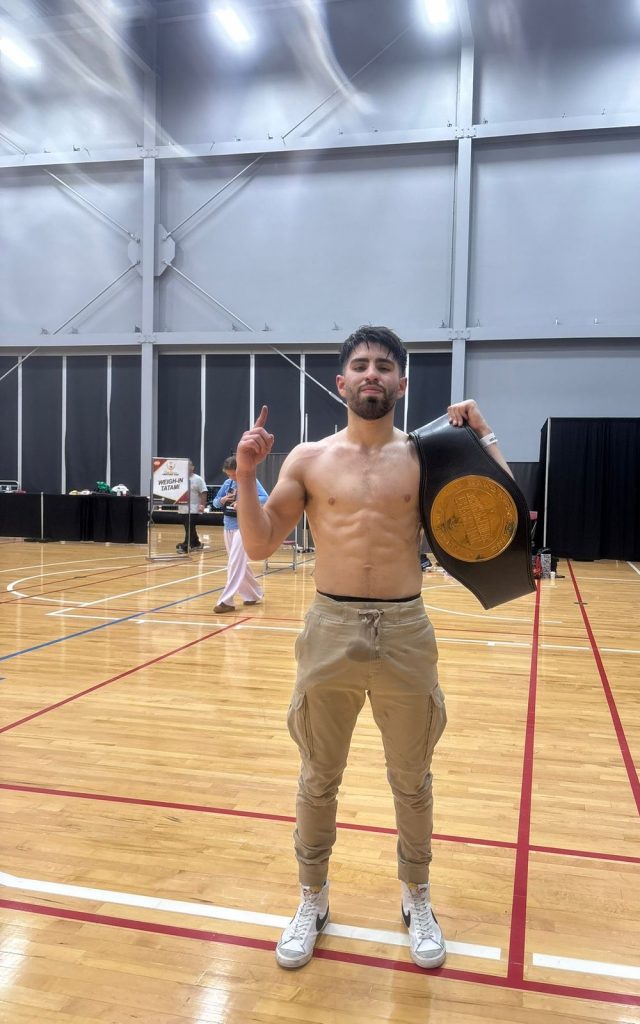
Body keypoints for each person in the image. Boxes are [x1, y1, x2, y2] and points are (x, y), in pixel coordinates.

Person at [236, 325, 510, 972]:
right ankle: (312, 898)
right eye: (360, 365)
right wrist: (246, 474)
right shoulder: (308, 458)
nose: (371, 374)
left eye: (384, 366)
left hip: (405, 632)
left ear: (402, 383)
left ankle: (417, 896)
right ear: (341, 382)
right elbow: (261, 544)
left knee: (411, 780)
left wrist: (486, 435)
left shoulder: (427, 455)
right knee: (317, 777)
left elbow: (502, 518)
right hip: (329, 629)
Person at [211, 456, 268, 613]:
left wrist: (243, 502)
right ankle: (253, 594)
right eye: (228, 474)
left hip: (244, 527)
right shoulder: (227, 484)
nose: (231, 477)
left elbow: (265, 498)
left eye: (233, 474)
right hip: (228, 526)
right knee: (237, 562)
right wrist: (222, 500)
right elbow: (215, 502)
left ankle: (227, 601)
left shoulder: (251, 482)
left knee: (234, 563)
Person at [176, 461, 207, 553]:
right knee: (189, 527)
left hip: (194, 508)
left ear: (192, 467)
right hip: (182, 508)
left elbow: (204, 492)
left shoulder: (198, 479)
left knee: (189, 526)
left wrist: (202, 505)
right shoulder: (179, 478)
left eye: (188, 466)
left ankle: (186, 546)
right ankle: (196, 543)